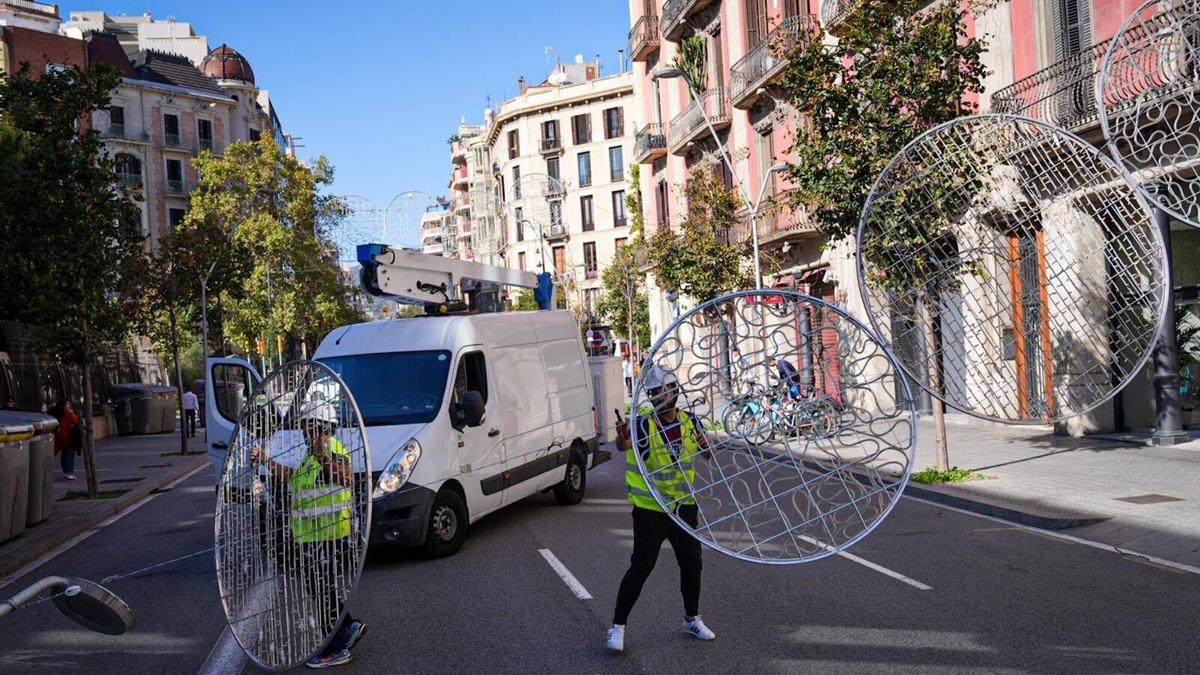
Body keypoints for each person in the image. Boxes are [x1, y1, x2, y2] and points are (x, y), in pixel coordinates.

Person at [607, 365, 716, 652]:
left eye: (663, 391)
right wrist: (621, 436)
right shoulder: (643, 424)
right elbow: (623, 445)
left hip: (683, 506)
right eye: (654, 393)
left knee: (692, 564)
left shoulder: (690, 421)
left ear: (675, 391)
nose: (659, 397)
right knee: (642, 566)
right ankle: (618, 626)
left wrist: (706, 444)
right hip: (651, 509)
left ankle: (691, 619)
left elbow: (708, 453)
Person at [251, 401, 366, 669]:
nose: (304, 430)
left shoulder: (331, 449)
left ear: (321, 427)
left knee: (321, 588)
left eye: (308, 425)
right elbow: (293, 477)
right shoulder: (311, 453)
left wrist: (323, 458)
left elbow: (346, 477)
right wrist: (266, 460)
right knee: (321, 587)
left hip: (328, 533)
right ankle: (347, 627)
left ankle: (336, 646)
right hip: (313, 534)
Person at [53, 399, 80, 481]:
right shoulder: (63, 414)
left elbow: (75, 421)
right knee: (66, 456)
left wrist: (71, 413)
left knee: (68, 455)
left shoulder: (69, 414)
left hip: (68, 438)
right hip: (64, 438)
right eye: (67, 404)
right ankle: (68, 472)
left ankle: (69, 472)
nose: (69, 406)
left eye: (69, 404)